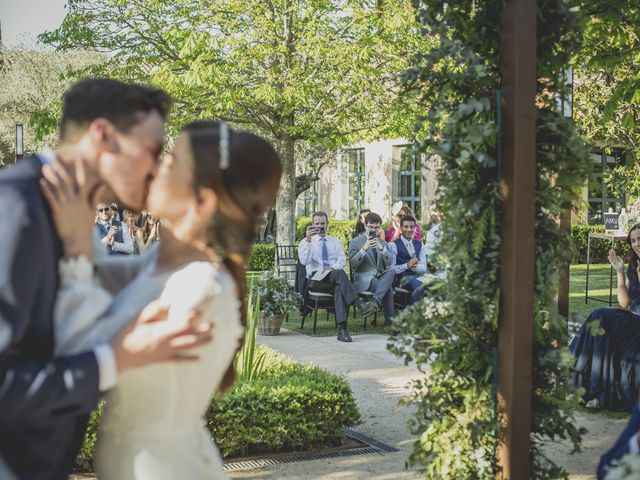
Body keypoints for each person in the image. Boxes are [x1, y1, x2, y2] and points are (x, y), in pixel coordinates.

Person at [41, 120, 282, 480]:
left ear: (202, 201)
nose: (155, 168)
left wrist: (75, 243)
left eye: (171, 163)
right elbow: (99, 273)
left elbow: (85, 347)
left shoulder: (200, 288)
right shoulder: (160, 262)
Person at [0, 78, 214, 480]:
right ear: (102, 135)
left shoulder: (75, 219)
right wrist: (112, 361)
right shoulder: (18, 211)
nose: (155, 167)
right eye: (150, 150)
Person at [570, 223, 640, 411]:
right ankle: (582, 385)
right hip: (633, 318)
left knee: (600, 314)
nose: (636, 244)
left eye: (639, 239)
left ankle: (568, 368)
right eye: (633, 240)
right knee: (599, 320)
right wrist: (619, 271)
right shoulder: (634, 266)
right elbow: (624, 303)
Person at [298, 211, 377, 343]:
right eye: (317, 223)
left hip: (333, 277)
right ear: (312, 225)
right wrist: (307, 240)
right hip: (315, 279)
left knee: (339, 288)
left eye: (323, 223)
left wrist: (331, 269)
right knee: (340, 275)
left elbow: (341, 261)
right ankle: (360, 305)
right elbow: (304, 261)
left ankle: (342, 330)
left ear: (327, 224)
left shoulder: (335, 242)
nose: (320, 226)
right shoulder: (306, 242)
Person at [349, 212, 395, 325]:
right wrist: (364, 249)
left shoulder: (383, 243)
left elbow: (389, 263)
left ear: (380, 228)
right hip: (364, 278)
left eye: (376, 227)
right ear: (365, 226)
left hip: (379, 277)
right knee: (388, 290)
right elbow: (353, 265)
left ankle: (375, 302)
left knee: (391, 272)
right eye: (370, 227)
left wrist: (382, 249)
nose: (373, 229)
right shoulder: (355, 242)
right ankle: (390, 324)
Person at [388, 215, 427, 304]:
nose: (409, 229)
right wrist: (407, 265)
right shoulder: (393, 245)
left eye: (411, 227)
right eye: (406, 227)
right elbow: (391, 269)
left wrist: (415, 267)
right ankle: (413, 315)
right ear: (400, 228)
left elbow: (424, 268)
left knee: (437, 283)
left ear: (415, 228)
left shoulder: (420, 244)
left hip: (418, 276)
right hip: (401, 278)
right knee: (419, 286)